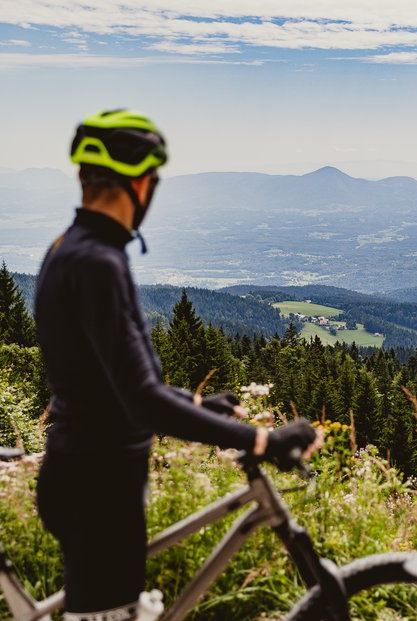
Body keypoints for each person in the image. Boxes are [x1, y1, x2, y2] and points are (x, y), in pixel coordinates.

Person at [35, 109, 321, 621]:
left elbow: (110, 384)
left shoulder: (71, 249)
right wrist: (262, 440)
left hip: (87, 476)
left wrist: (191, 404)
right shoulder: (99, 262)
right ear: (141, 184)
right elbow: (139, 397)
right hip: (100, 490)